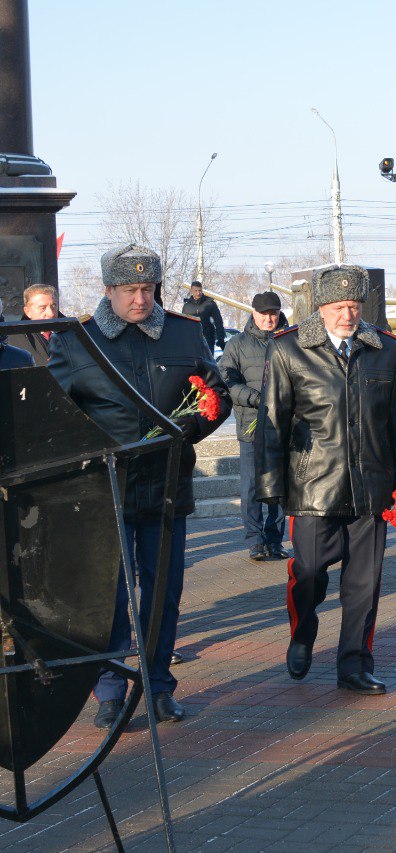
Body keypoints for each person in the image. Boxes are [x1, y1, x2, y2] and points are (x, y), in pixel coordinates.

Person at [48, 243, 231, 728]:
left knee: (164, 592)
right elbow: (56, 417)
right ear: (109, 291)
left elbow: (218, 394)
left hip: (167, 484)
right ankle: (109, 690)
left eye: (148, 289)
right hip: (105, 489)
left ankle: (158, 685)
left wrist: (186, 430)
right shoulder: (77, 341)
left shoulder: (184, 334)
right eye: (130, 290)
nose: (141, 299)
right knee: (108, 595)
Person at [257, 264, 396, 696]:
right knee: (308, 573)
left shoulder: (383, 348)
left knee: (364, 584)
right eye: (337, 306)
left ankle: (355, 664)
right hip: (314, 487)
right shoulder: (289, 349)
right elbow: (272, 421)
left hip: (372, 486)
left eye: (354, 305)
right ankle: (302, 633)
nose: (347, 314)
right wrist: (270, 485)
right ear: (320, 308)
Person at [218, 291, 288, 562]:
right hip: (251, 424)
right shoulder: (237, 343)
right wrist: (255, 398)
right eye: (264, 314)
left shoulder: (290, 340)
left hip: (283, 425)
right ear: (254, 313)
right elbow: (226, 379)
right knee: (251, 487)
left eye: (273, 313)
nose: (269, 318)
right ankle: (255, 541)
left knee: (279, 486)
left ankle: (275, 539)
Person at [8, 283, 63, 366]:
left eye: (53, 306)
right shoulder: (12, 340)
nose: (51, 313)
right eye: (42, 308)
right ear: (27, 312)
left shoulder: (74, 334)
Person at [182, 280, 225, 353]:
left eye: (200, 290)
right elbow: (183, 324)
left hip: (208, 340)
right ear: (191, 291)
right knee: (193, 364)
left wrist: (221, 339)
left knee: (208, 363)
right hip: (192, 341)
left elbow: (218, 322)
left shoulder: (210, 304)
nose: (198, 293)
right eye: (196, 291)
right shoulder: (187, 306)